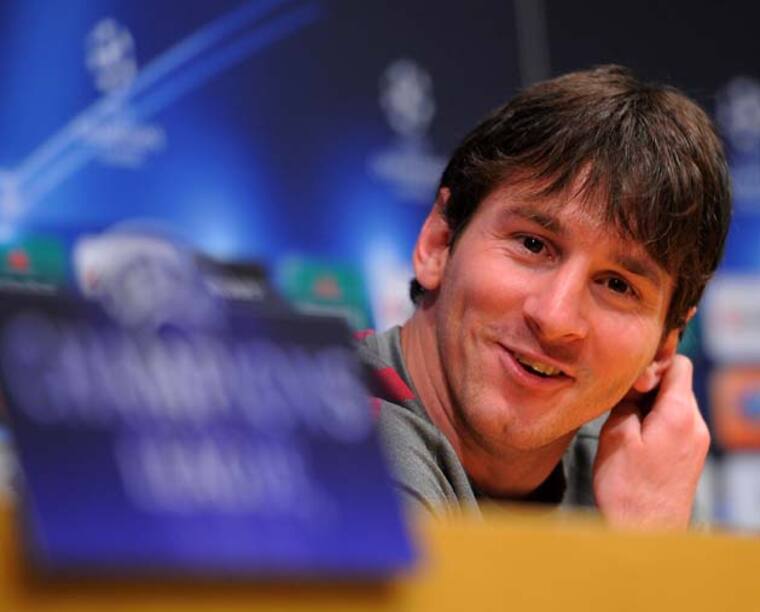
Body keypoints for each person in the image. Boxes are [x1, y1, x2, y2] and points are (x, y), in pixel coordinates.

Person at [357, 65, 731, 529]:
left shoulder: (640, 483)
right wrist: (647, 556)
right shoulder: (339, 438)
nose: (555, 318)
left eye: (617, 285)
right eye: (533, 245)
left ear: (663, 348)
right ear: (438, 243)